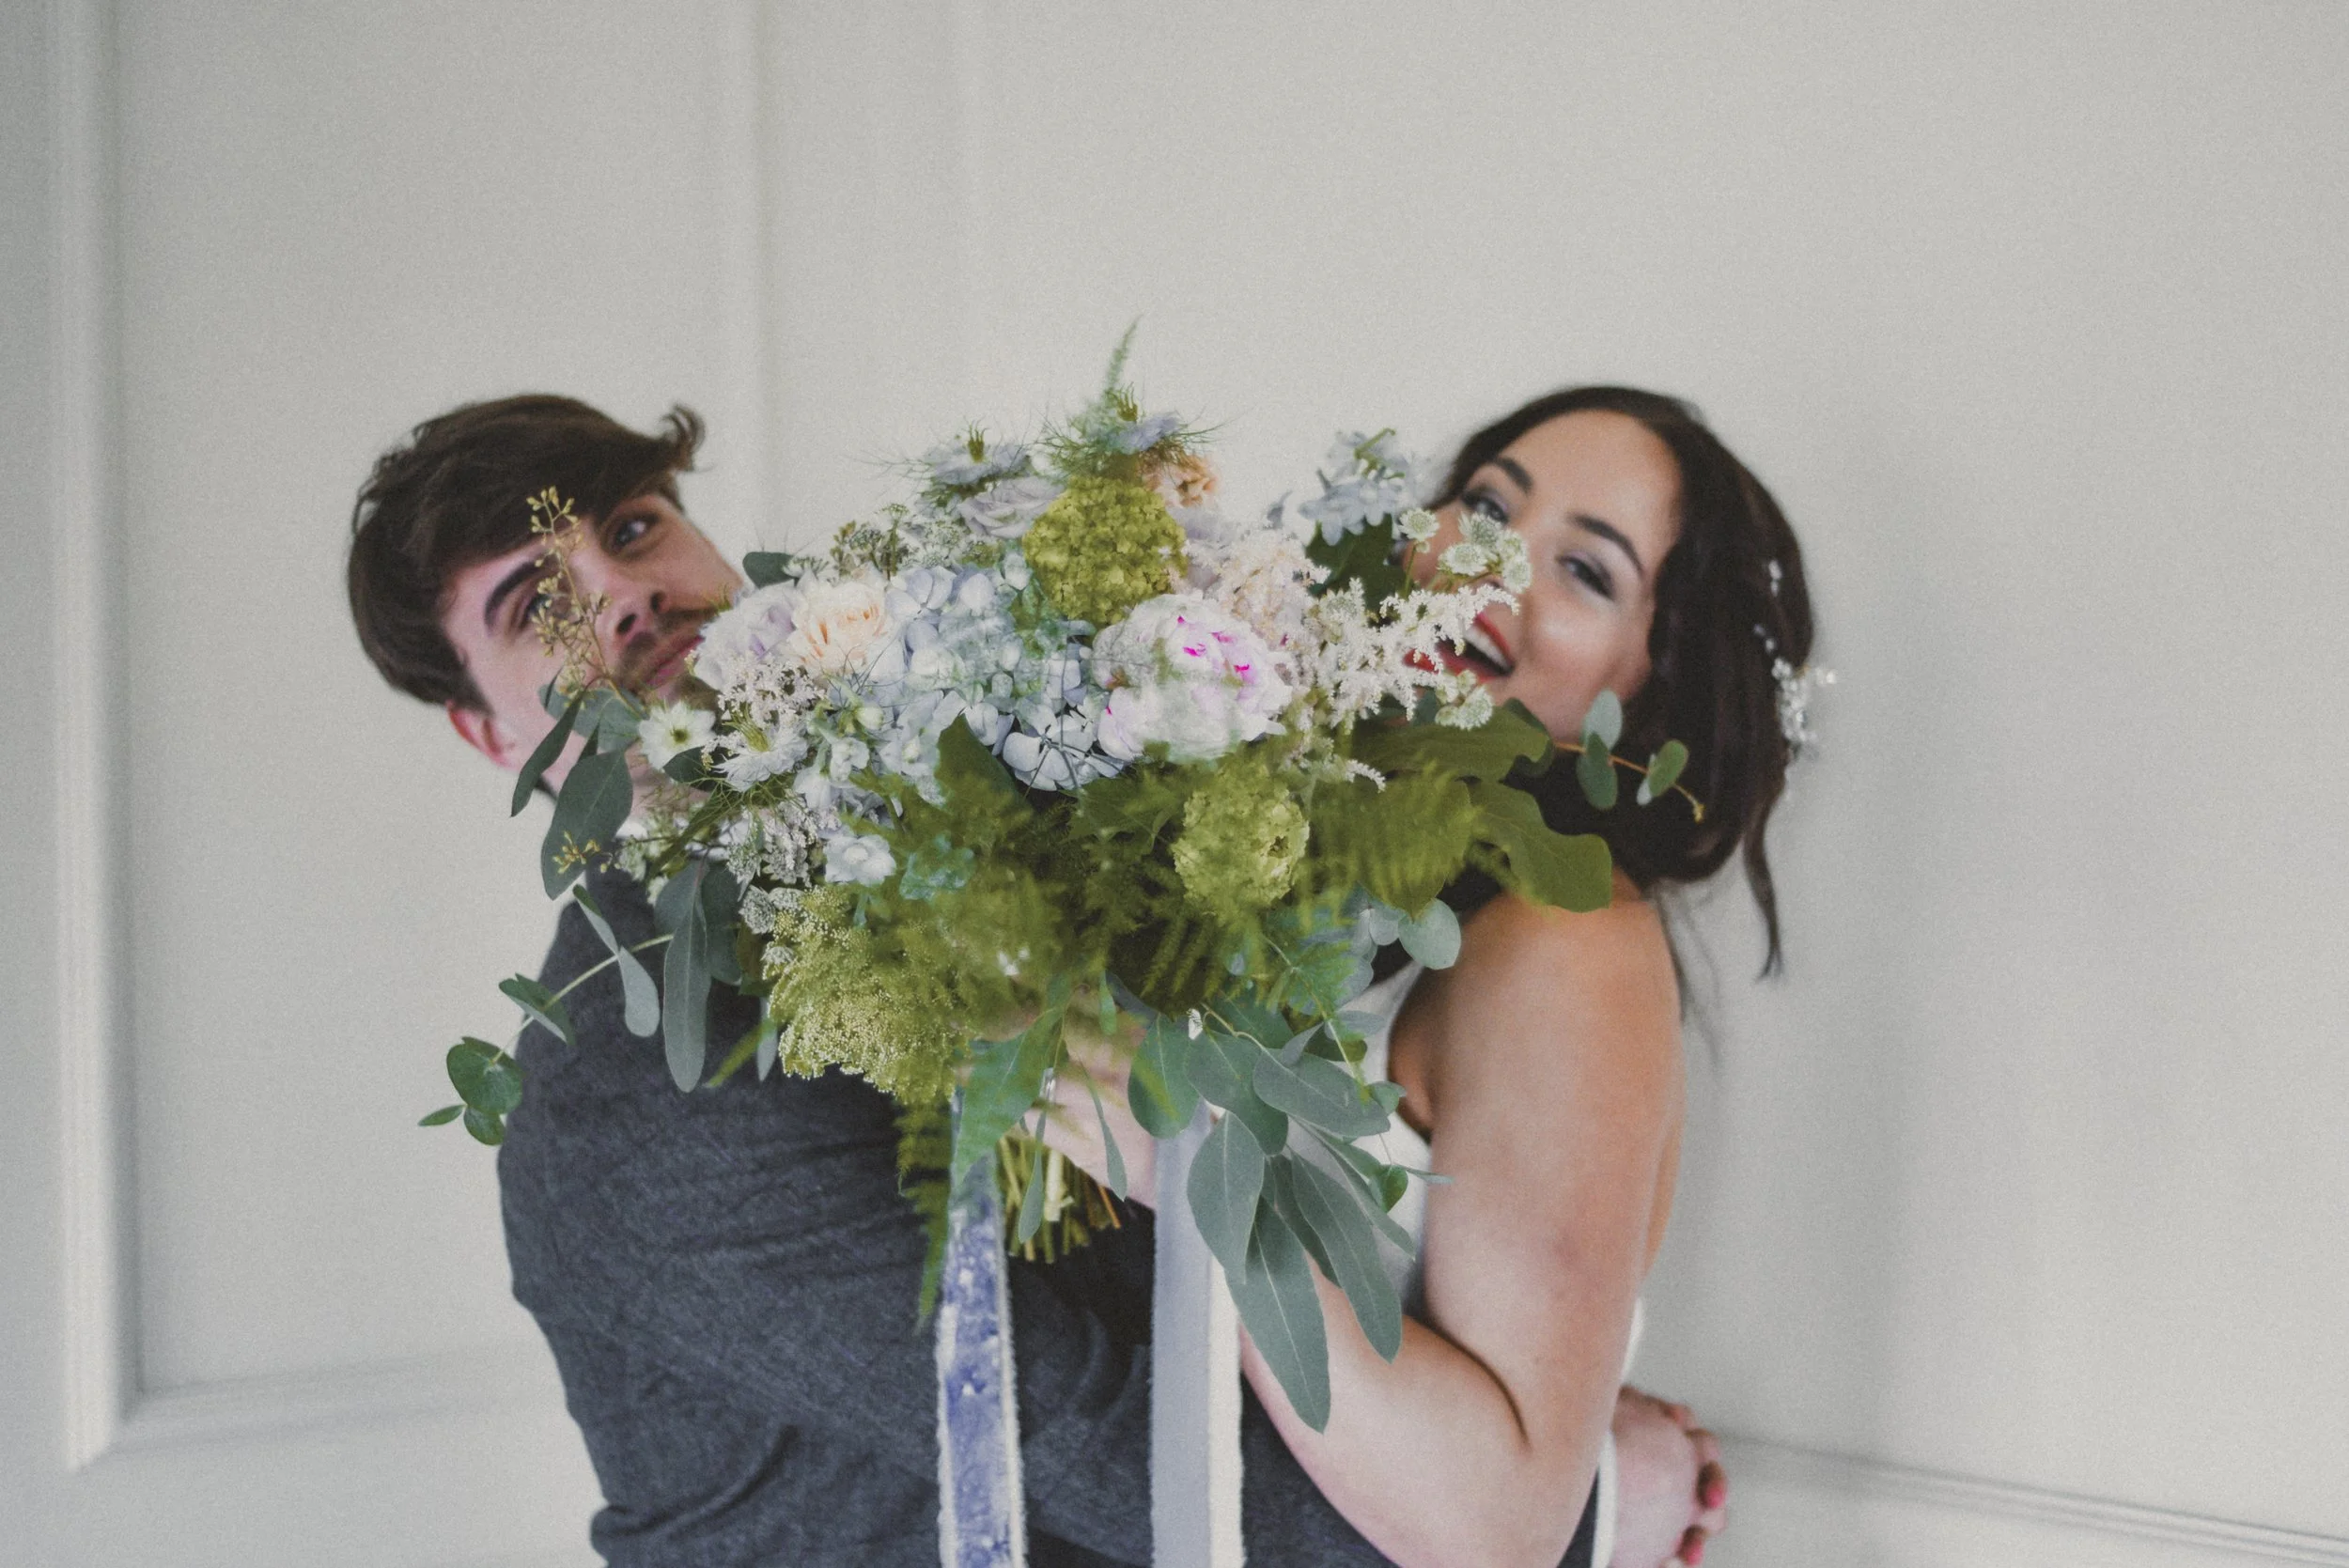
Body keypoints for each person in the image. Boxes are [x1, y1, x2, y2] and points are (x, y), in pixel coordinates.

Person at [346, 392, 1727, 1565]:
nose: (624, 593)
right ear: (487, 732)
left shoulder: (968, 792)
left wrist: (1532, 1405)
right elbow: (1110, 1441)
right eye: (539, 603)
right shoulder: (641, 1089)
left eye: (636, 525)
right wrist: (1584, 1506)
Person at [1050, 388, 1795, 1567]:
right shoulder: (1325, 844)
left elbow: (1492, 1524)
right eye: (1489, 502)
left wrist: (1187, 1159)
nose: (1489, 567)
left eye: (1585, 572)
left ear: (1649, 692)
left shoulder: (1566, 938)